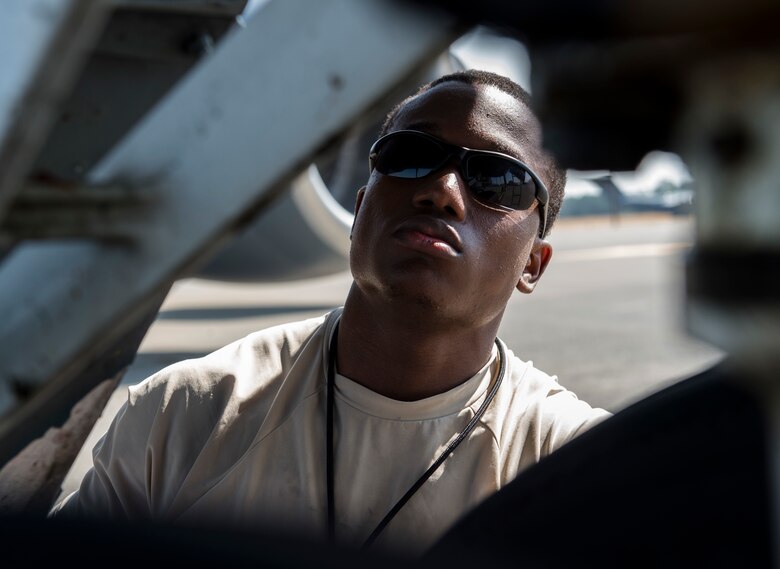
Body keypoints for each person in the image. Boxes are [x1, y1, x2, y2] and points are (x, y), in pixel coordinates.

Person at [50, 70, 610, 556]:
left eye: (497, 180)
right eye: (411, 156)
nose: (441, 191)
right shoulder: (184, 414)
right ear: (361, 206)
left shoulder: (578, 469)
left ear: (533, 264)